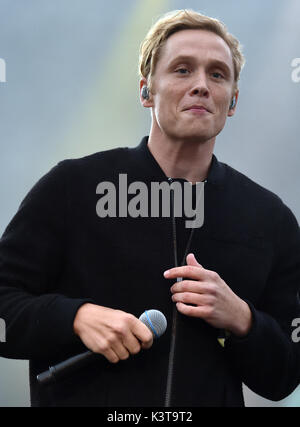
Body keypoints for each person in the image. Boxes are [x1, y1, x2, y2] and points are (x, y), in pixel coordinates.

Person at [0, 9, 299, 407]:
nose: (201, 86)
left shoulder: (271, 219)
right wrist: (75, 317)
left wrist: (243, 319)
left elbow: (286, 376)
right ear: (146, 91)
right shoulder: (73, 187)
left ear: (233, 102)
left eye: (217, 74)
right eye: (181, 70)